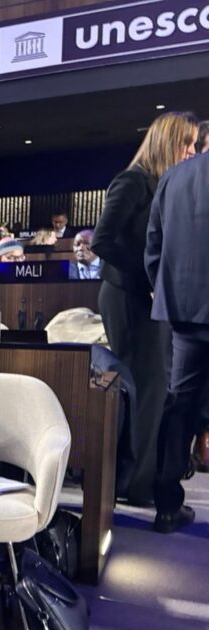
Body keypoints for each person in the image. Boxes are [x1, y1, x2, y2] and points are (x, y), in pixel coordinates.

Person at [92, 110, 197, 506]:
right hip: (127, 295)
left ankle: (141, 480)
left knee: (155, 388)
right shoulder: (133, 181)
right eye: (186, 143)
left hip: (148, 296)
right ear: (167, 142)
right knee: (147, 388)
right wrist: (149, 278)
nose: (192, 151)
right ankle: (135, 486)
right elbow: (102, 240)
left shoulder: (163, 184)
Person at [145, 151, 209, 533]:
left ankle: (167, 508)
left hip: (183, 312)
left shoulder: (174, 177)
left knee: (178, 406)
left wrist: (166, 291)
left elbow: (153, 246)